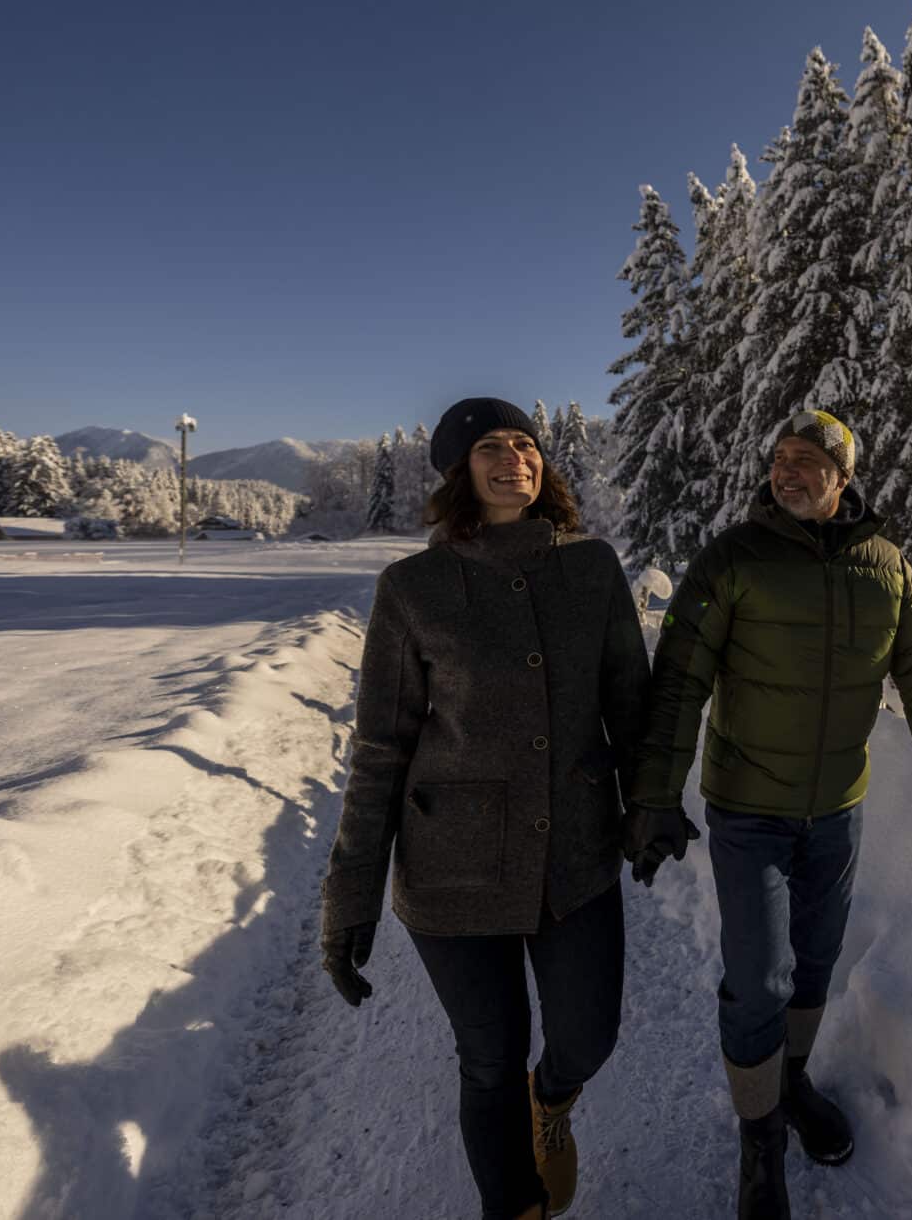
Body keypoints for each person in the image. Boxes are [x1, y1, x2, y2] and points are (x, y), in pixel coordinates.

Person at [625, 408, 912, 1220]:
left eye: (809, 459)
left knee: (814, 965)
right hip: (749, 811)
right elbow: (679, 682)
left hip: (838, 812)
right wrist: (652, 794)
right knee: (759, 981)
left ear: (842, 478)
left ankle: (789, 1081)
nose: (789, 470)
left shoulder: (885, 567)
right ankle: (758, 1141)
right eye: (781, 457)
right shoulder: (733, 558)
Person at [320, 397, 650, 1220]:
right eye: (491, 448)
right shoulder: (413, 589)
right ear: (459, 473)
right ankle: (515, 1208)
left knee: (588, 1033)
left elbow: (632, 707)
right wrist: (349, 897)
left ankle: (557, 1096)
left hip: (574, 854)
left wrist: (650, 804)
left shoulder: (594, 568)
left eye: (526, 444)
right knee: (489, 1057)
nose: (515, 458)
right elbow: (381, 750)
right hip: (453, 871)